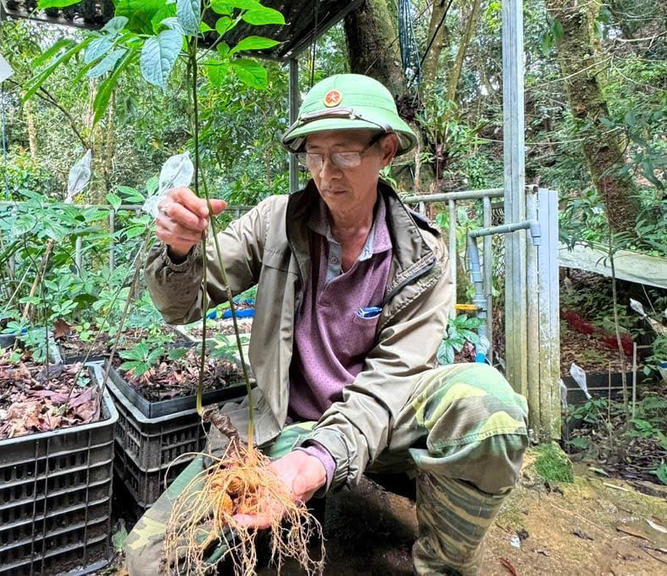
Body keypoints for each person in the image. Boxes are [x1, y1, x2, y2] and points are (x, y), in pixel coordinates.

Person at [124, 74, 529, 575]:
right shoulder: (275, 222)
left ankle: (439, 566)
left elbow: (395, 377)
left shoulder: (421, 256)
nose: (326, 172)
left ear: (386, 149)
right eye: (314, 154)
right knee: (149, 559)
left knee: (487, 402)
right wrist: (180, 250)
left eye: (344, 153)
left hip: (382, 427)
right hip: (281, 425)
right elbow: (182, 305)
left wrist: (319, 460)